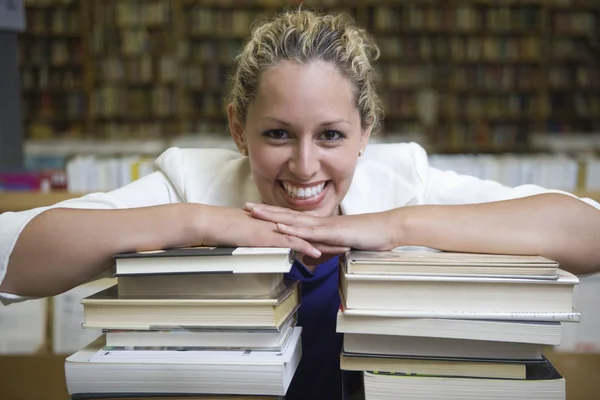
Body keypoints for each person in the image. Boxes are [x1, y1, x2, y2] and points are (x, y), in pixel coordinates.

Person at [1, 9, 600, 400]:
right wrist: (201, 221)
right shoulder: (192, 179)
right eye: (278, 134)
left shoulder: (402, 177)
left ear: (367, 132)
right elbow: (8, 256)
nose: (305, 166)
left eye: (332, 136)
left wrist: (393, 225)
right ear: (239, 129)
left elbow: (588, 234)